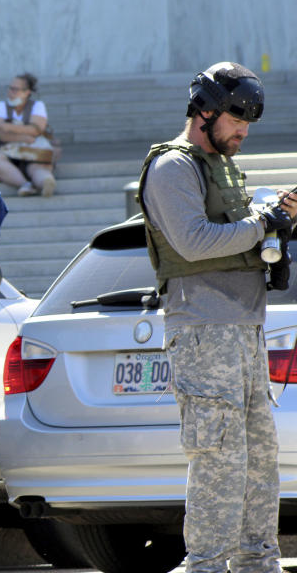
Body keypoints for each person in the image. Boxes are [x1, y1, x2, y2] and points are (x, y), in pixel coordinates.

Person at [138, 62, 296, 573]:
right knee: (220, 463)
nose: (244, 131)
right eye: (235, 119)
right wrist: (261, 225)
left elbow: (243, 236)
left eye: (248, 122)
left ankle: (258, 562)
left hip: (243, 330)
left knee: (257, 463)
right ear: (205, 111)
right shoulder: (173, 168)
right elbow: (194, 240)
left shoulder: (221, 166)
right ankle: (204, 566)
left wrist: (277, 229)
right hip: (205, 332)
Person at [0, 72, 58, 196]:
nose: (11, 93)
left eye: (15, 89)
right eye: (10, 88)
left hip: (33, 151)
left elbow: (36, 129)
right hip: (6, 150)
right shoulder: (1, 106)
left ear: (27, 92)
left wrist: (8, 127)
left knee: (37, 168)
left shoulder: (37, 105)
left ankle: (46, 183)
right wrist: (23, 136)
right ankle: (25, 185)